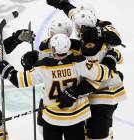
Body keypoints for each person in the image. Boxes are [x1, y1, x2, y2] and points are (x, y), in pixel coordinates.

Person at [0, 34, 117, 140]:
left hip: (52, 118)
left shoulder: (43, 67)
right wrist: (111, 57)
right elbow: (103, 74)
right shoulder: (79, 62)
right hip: (76, 118)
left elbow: (20, 81)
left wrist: (7, 70)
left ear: (52, 49)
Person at [46, 1, 126, 139]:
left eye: (78, 26)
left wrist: (74, 92)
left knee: (96, 134)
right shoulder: (82, 20)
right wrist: (62, 3)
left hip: (102, 92)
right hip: (97, 89)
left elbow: (116, 40)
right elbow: (71, 11)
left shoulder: (94, 42)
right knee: (98, 128)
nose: (75, 28)